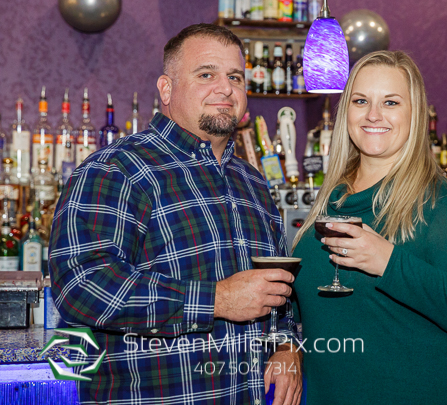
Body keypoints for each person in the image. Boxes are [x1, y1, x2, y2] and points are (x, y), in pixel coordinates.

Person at [50, 24, 302, 405]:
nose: (225, 87)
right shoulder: (116, 169)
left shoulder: (252, 180)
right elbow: (81, 286)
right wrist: (216, 299)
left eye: (235, 76)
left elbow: (277, 286)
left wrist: (287, 345)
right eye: (206, 74)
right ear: (166, 89)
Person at [292, 50, 447, 404]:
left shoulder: (440, 203)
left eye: (390, 102)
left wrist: (389, 263)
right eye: (361, 100)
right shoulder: (332, 200)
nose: (373, 114)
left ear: (415, 115)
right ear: (346, 110)